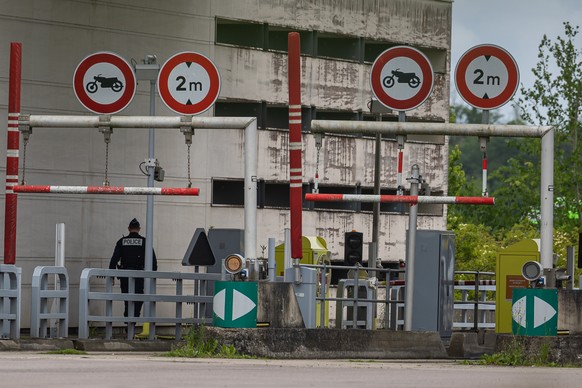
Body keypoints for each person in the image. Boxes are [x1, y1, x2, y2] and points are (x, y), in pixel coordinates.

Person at [109, 218, 157, 319]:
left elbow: (114, 259)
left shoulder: (121, 241)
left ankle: (128, 319)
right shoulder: (145, 241)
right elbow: (153, 260)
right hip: (140, 275)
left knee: (127, 299)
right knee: (139, 298)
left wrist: (112, 276)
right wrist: (153, 276)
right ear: (139, 229)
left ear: (128, 228)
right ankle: (134, 318)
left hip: (124, 275)